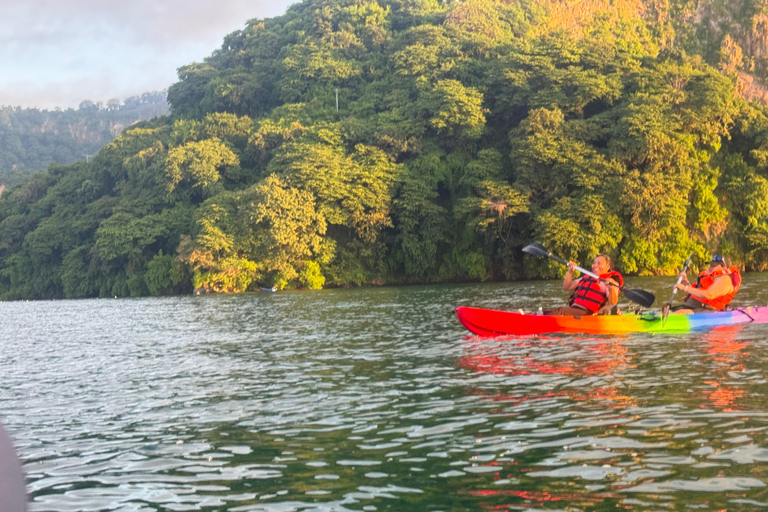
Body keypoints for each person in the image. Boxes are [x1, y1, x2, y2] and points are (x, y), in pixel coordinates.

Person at [551, 254, 623, 316]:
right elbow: (567, 286)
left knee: (561, 311)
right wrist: (570, 272)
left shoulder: (610, 282)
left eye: (599, 263)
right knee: (545, 312)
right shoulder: (586, 278)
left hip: (588, 313)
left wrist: (611, 289)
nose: (595, 266)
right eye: (594, 263)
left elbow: (613, 302)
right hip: (575, 310)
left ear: (608, 266)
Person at [672, 255, 741, 314]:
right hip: (693, 307)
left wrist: (685, 288)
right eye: (710, 265)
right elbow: (699, 292)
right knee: (665, 311)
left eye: (713, 265)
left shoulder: (725, 279)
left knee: (680, 313)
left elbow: (708, 294)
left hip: (708, 311)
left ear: (724, 268)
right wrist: (686, 282)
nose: (710, 267)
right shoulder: (712, 278)